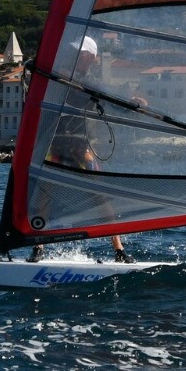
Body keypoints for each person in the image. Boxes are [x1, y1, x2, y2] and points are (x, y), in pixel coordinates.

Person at [29, 35, 132, 263]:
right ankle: (38, 247)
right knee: (43, 194)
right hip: (55, 145)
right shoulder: (59, 76)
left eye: (82, 54)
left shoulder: (93, 84)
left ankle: (118, 249)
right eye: (76, 53)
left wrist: (133, 104)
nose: (77, 57)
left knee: (100, 197)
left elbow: (113, 101)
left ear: (91, 57)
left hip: (81, 147)